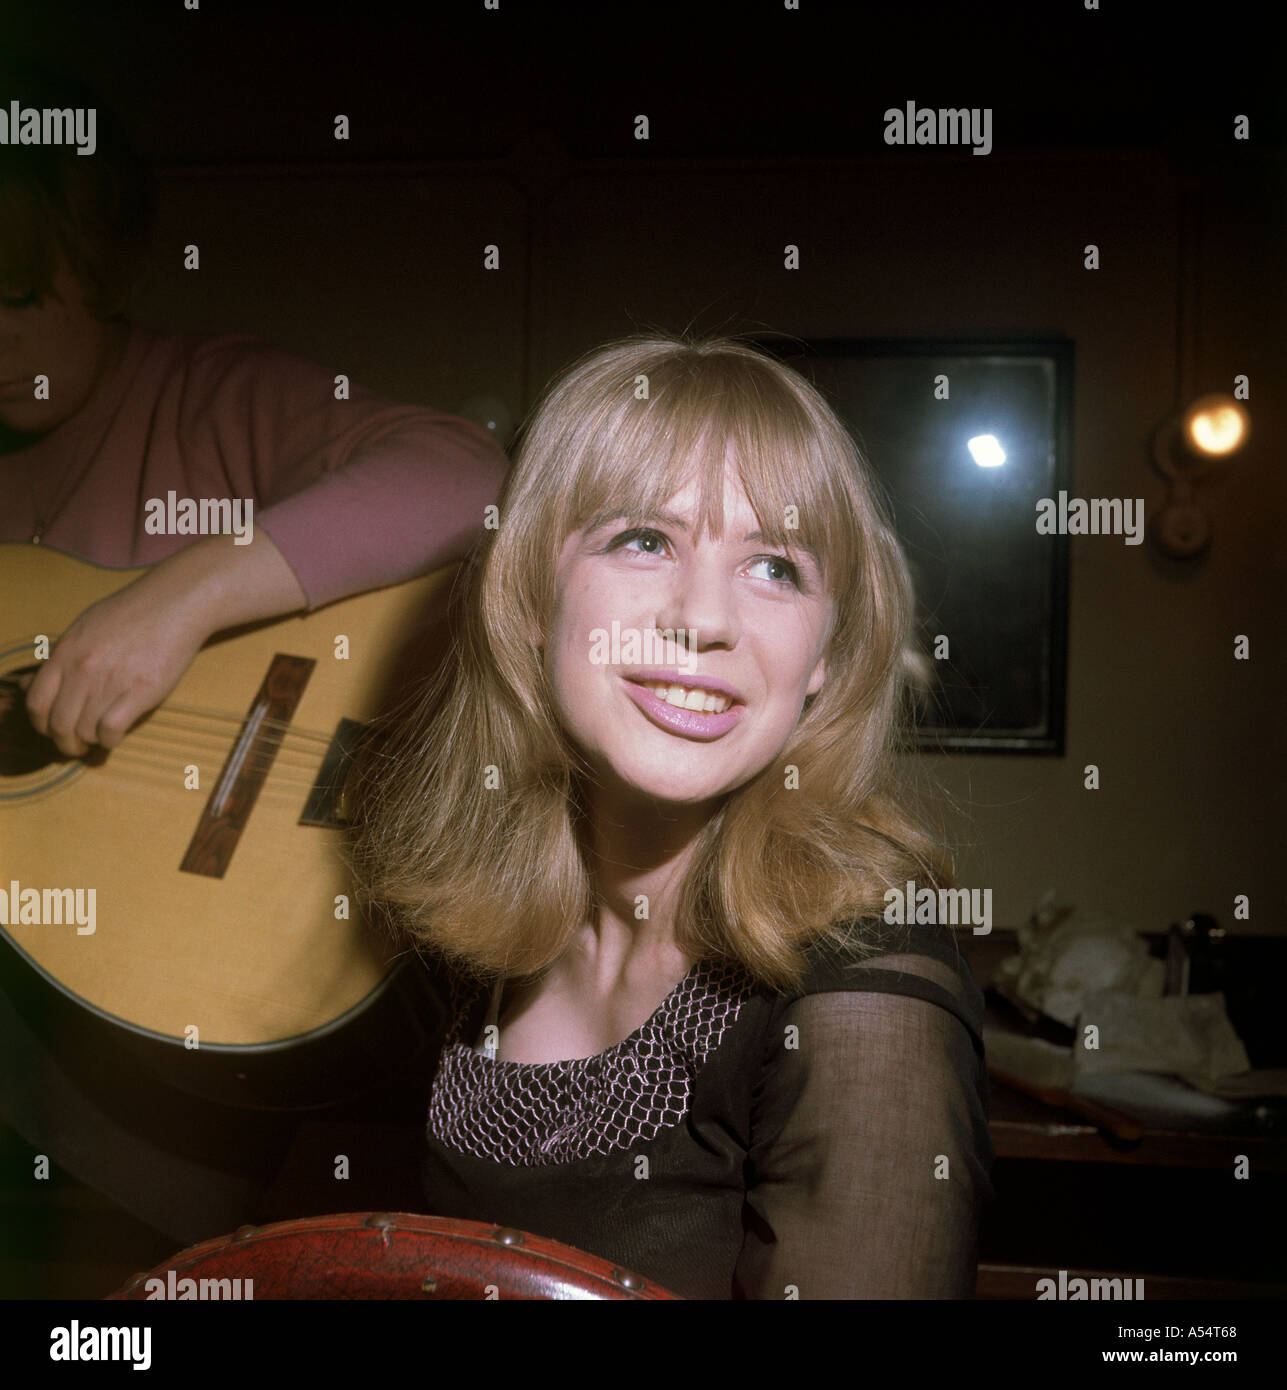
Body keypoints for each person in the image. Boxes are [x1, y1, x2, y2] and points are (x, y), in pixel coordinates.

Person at [352, 334, 996, 1299]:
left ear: (823, 656)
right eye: (643, 540)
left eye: (775, 566)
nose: (704, 618)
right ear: (530, 594)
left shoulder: (863, 999)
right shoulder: (470, 944)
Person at [0, 57, 508, 1261]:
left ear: (109, 269)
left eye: (14, 297)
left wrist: (181, 598)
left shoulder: (205, 393)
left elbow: (470, 478)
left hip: (184, 1032)